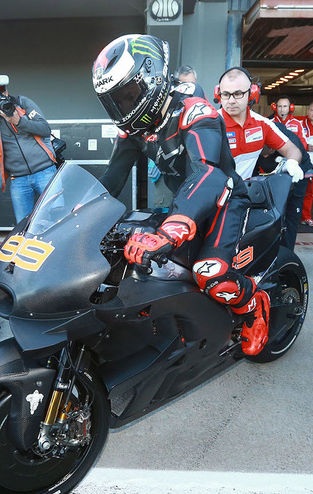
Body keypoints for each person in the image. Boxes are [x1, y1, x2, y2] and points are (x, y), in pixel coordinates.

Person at [93, 34, 270, 356]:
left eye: (128, 95)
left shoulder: (195, 111)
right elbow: (112, 179)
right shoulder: (133, 129)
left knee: (210, 273)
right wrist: (73, 214)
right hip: (184, 202)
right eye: (115, 101)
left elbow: (208, 172)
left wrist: (175, 226)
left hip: (225, 198)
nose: (122, 107)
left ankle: (254, 305)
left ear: (152, 79)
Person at [0, 75, 57, 223]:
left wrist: (19, 121)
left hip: (45, 171)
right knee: (23, 224)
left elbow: (45, 129)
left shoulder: (22, 103)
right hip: (18, 178)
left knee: (58, 217)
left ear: (5, 93)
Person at [217, 67, 302, 181]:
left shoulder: (262, 124)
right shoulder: (210, 123)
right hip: (213, 195)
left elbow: (292, 149)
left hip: (242, 194)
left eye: (238, 94)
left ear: (251, 94)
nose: (231, 101)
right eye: (226, 94)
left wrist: (292, 162)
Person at [254, 122, 313, 250]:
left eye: (267, 153)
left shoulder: (290, 142)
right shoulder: (256, 137)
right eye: (261, 154)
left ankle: (287, 252)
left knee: (291, 214)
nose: (265, 157)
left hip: (297, 173)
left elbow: (296, 169)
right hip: (271, 173)